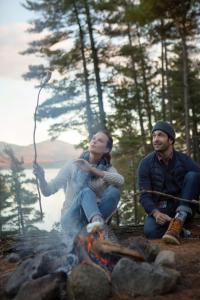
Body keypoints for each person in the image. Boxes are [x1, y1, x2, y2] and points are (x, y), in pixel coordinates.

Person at [33, 130, 124, 251]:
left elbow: (120, 180)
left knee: (114, 192)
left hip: (89, 224)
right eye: (93, 138)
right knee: (86, 192)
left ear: (106, 150)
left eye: (100, 140)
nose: (94, 141)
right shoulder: (73, 165)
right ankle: (101, 228)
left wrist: (92, 170)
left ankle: (95, 228)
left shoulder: (107, 169)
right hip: (70, 220)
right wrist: (41, 178)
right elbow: (48, 191)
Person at [138, 121, 200, 245]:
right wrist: (156, 213)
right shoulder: (145, 163)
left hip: (184, 205)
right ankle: (181, 230)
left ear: (170, 140)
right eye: (154, 136)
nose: (155, 139)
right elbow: (144, 195)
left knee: (193, 176)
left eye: (160, 135)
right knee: (150, 231)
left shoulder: (184, 160)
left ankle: (179, 219)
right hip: (161, 208)